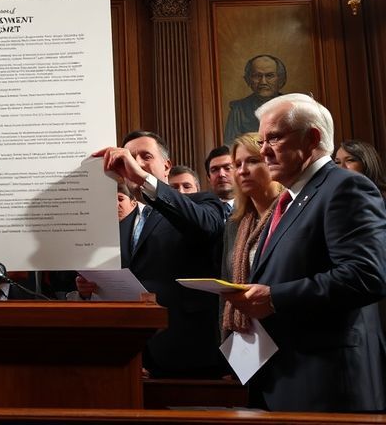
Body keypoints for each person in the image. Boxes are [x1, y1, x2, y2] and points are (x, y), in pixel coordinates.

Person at [223, 93, 386, 412]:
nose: (264, 149)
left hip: (329, 385)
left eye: (274, 137)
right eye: (261, 139)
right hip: (286, 378)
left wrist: (274, 298)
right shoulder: (293, 199)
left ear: (312, 137)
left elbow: (366, 276)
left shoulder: (345, 188)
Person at [80, 130, 225, 377]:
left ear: (166, 166)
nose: (135, 163)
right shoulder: (122, 222)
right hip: (137, 357)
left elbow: (207, 226)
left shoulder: (203, 202)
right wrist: (91, 289)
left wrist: (142, 178)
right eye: (129, 157)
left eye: (145, 156)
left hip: (190, 354)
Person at [220, 133, 282, 338]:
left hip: (286, 332)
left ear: (272, 162)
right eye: (237, 164)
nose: (243, 171)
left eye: (253, 161)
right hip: (246, 337)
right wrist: (226, 351)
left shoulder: (291, 213)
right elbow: (226, 289)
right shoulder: (234, 224)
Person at [224, 55, 286, 145]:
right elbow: (230, 146)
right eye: (257, 76)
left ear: (280, 79)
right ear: (248, 80)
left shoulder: (293, 107)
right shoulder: (238, 110)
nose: (263, 82)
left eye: (269, 76)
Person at [205, 146, 235, 216]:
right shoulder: (203, 211)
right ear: (208, 178)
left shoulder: (252, 207)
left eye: (227, 168)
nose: (221, 174)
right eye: (214, 170)